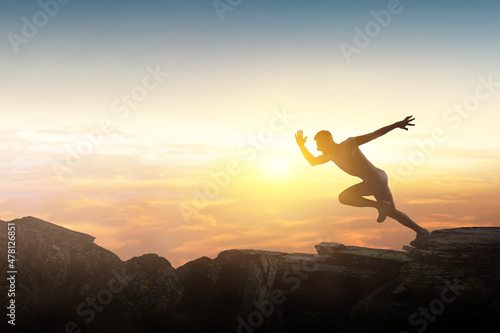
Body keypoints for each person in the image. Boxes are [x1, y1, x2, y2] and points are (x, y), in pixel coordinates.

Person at [295, 115, 430, 246]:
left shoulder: (348, 145)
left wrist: (397, 125)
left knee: (344, 197)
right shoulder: (330, 155)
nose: (318, 148)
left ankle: (380, 205)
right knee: (392, 212)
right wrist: (301, 145)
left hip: (374, 179)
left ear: (327, 141)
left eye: (319, 145)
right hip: (378, 178)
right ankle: (421, 232)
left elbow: (374, 134)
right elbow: (313, 161)